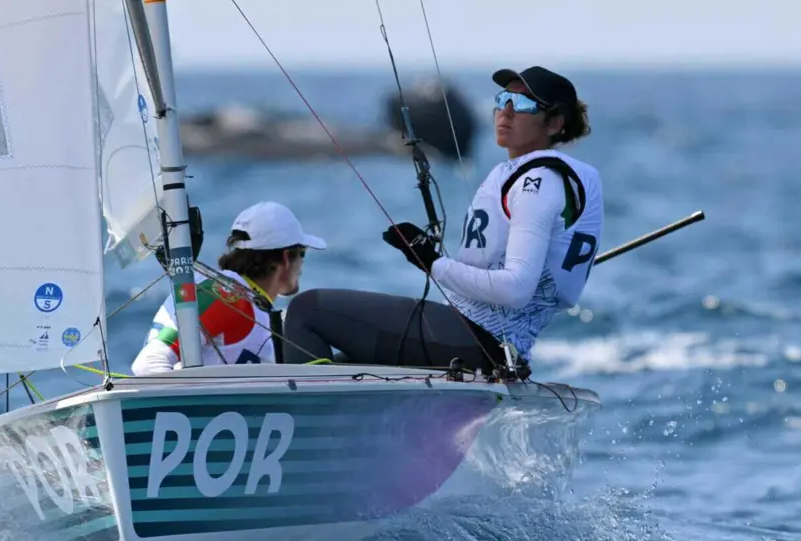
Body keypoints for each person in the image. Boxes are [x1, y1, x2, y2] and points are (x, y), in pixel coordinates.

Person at [282, 65, 603, 374]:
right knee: (342, 365)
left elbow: (516, 289)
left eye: (522, 103)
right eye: (501, 100)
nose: (505, 111)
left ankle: (298, 416)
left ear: (554, 123)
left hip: (481, 340)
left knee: (307, 310)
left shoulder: (539, 183)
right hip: (482, 339)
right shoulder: (549, 176)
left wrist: (432, 262)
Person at [131, 201, 326, 375]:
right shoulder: (228, 296)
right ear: (286, 255)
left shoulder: (244, 298)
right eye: (303, 254)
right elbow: (148, 364)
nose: (302, 266)